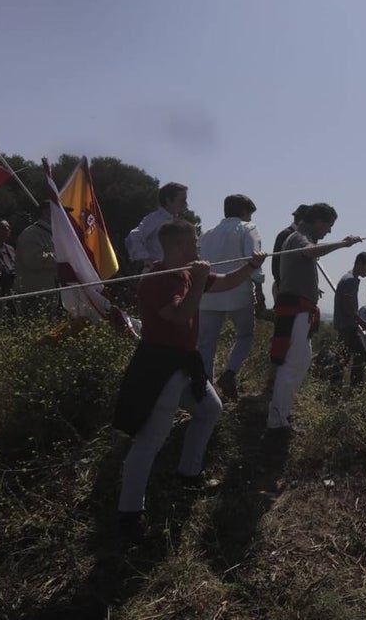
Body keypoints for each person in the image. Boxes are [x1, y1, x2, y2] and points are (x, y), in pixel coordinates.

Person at [112, 219, 264, 540]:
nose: (198, 247)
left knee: (210, 409)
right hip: (159, 365)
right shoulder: (155, 279)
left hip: (184, 363)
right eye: (194, 242)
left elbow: (224, 282)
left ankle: (188, 473)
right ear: (179, 246)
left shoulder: (186, 274)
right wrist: (196, 283)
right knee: (151, 439)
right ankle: (129, 512)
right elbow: (180, 318)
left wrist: (250, 266)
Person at [268, 203, 361, 429]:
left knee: (299, 361)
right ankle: (277, 420)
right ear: (318, 221)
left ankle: (281, 415)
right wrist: (342, 244)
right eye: (329, 225)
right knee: (292, 364)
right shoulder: (299, 237)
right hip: (295, 310)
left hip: (300, 310)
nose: (329, 231)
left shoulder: (298, 237)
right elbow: (309, 251)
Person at [197, 194, 267, 397]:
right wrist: (260, 291)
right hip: (238, 292)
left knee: (206, 343)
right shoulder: (249, 229)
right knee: (244, 335)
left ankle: (205, 389)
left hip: (209, 292)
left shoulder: (207, 234)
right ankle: (230, 372)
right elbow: (253, 262)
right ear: (245, 212)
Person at [332, 251, 366, 388]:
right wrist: (360, 320)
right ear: (359, 264)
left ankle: (335, 386)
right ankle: (354, 390)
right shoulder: (350, 280)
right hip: (347, 326)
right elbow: (347, 305)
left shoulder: (348, 278)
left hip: (344, 325)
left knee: (342, 358)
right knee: (360, 356)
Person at [125, 182, 188, 272]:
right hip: (156, 273)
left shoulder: (178, 223)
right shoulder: (155, 218)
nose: (185, 204)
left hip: (173, 273)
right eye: (182, 200)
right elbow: (133, 236)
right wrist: (145, 259)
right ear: (168, 200)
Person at [14, 201, 59, 315]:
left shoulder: (53, 233)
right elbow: (33, 260)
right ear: (46, 212)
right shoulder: (31, 234)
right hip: (34, 291)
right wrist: (63, 258)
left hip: (51, 289)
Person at [271, 204, 308, 300]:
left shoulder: (300, 236)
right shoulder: (287, 235)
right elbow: (276, 263)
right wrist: (281, 285)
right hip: (287, 289)